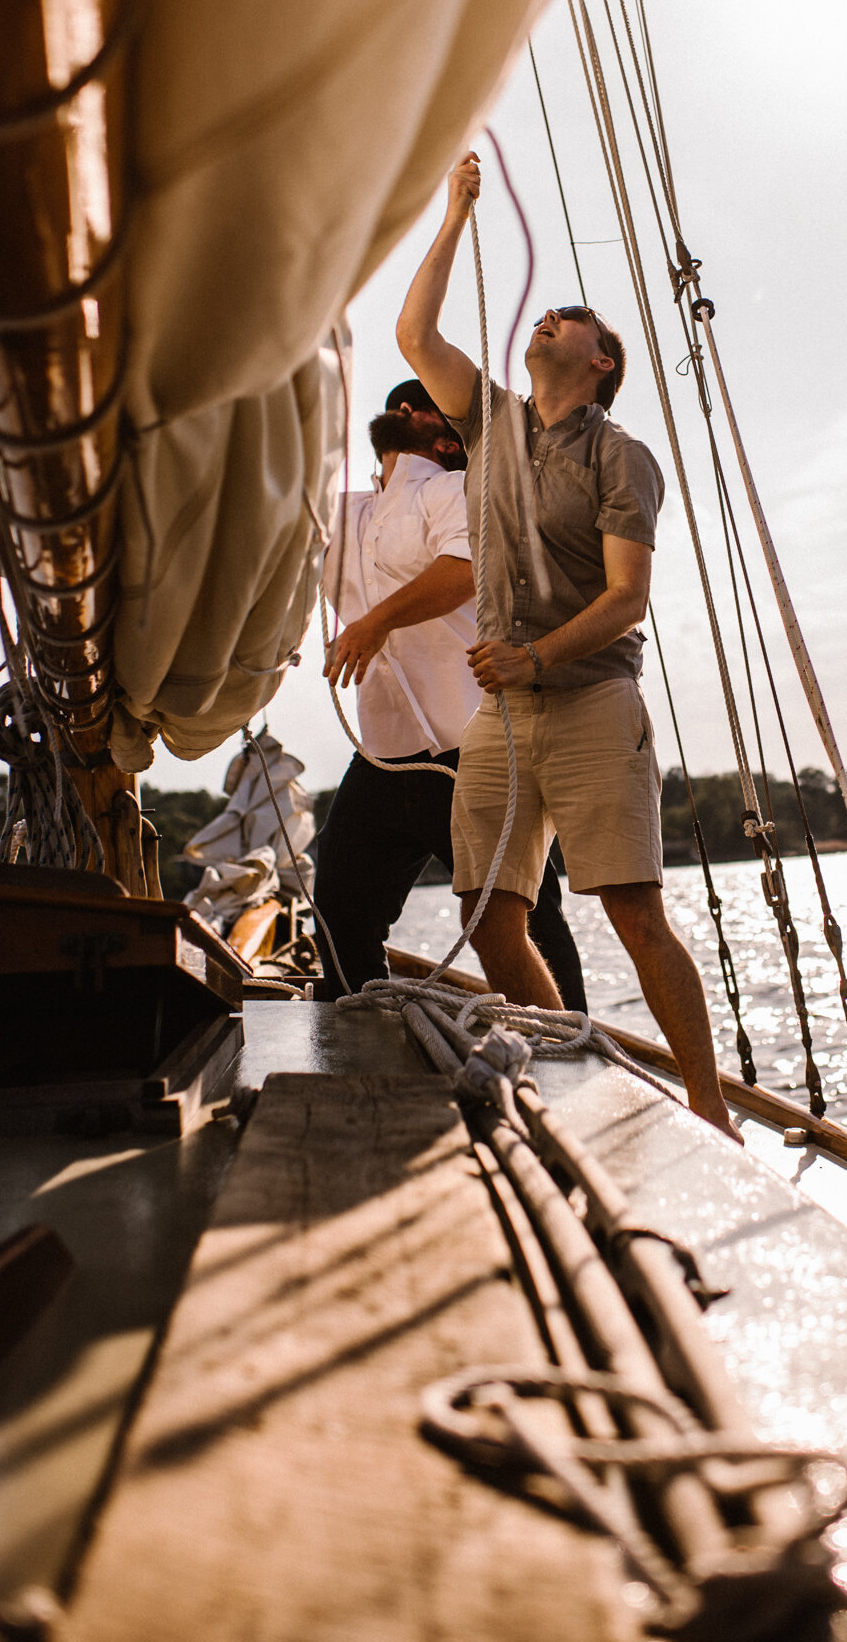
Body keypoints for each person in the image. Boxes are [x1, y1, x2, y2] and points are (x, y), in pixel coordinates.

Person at [396, 152, 738, 1139]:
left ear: (601, 362)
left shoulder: (618, 453)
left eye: (573, 318)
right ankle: (567, 1075)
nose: (551, 316)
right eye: (548, 313)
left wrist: (536, 659)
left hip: (588, 700)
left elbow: (630, 597)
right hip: (503, 712)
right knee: (487, 914)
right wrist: (456, 213)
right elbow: (414, 332)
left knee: (633, 911)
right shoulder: (493, 422)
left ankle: (713, 1111)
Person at [313, 378, 586, 1007]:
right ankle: (362, 1045)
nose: (442, 428)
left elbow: (463, 571)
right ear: (402, 413)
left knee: (528, 919)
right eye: (432, 412)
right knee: (340, 916)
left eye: (453, 424)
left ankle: (575, 1049)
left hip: (475, 750)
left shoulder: (454, 492)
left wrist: (374, 622)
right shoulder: (340, 511)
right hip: (385, 757)